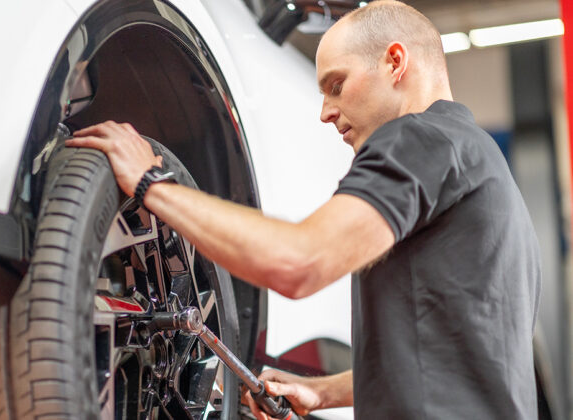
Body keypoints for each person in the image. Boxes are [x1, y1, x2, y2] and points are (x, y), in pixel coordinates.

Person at [66, 0, 541, 418]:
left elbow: (298, 263)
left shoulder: (417, 137)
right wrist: (320, 393)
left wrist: (152, 185)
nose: (326, 111)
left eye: (337, 84)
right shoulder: (484, 166)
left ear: (395, 62)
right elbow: (451, 359)